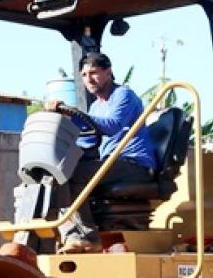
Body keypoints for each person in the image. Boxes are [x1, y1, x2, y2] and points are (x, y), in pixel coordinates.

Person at [43, 52, 158, 252]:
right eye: (84, 75)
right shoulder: (96, 106)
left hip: (133, 164)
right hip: (111, 162)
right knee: (59, 172)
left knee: (75, 174)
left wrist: (71, 111)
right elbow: (88, 138)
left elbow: (112, 125)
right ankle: (69, 234)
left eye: (94, 73)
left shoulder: (123, 95)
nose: (89, 79)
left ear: (108, 72)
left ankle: (85, 236)